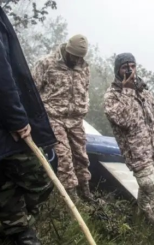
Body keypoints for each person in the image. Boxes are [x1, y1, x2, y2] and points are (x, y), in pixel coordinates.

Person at [103, 53, 154, 245]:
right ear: (117, 70)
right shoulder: (112, 96)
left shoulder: (145, 92)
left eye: (132, 65)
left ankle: (139, 227)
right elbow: (124, 121)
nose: (130, 70)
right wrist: (127, 91)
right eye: (124, 67)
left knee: (146, 196)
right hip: (137, 157)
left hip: (151, 151)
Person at [0, 6, 57, 244]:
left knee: (5, 182)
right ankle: (17, 228)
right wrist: (17, 119)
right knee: (41, 177)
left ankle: (16, 229)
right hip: (8, 128)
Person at [32, 35, 95, 202]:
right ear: (67, 50)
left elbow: (85, 89)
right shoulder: (46, 64)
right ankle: (71, 199)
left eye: (80, 57)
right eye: (74, 56)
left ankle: (85, 192)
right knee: (63, 158)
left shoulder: (84, 67)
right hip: (53, 118)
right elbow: (32, 91)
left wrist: (83, 107)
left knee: (81, 157)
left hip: (75, 120)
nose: (76, 60)